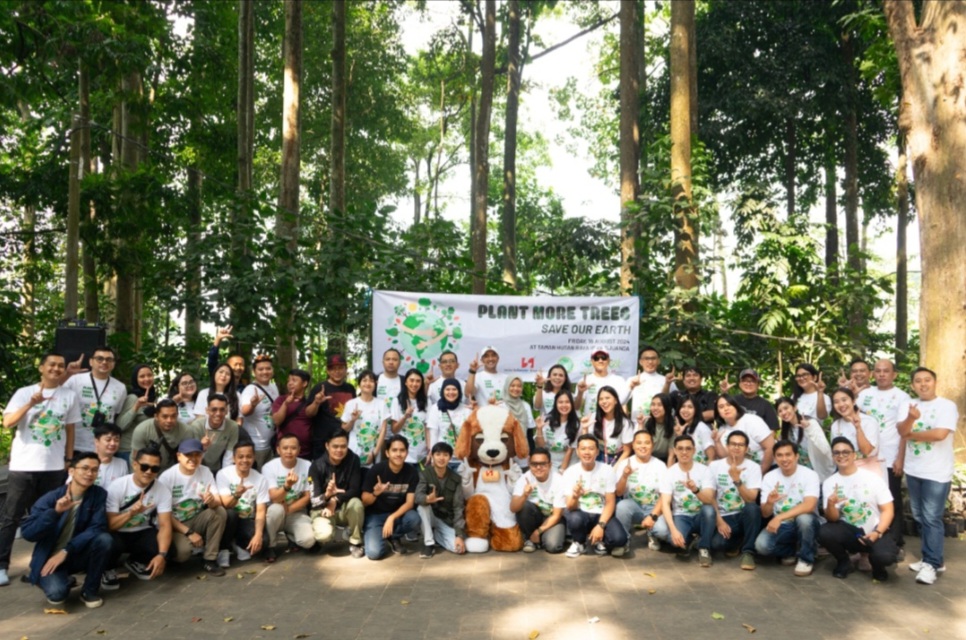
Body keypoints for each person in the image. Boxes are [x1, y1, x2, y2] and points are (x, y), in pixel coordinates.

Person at [0, 351, 80, 587]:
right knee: (10, 516)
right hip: (24, 466)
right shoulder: (24, 392)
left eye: (61, 366)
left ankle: (41, 564)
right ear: (42, 368)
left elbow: (70, 430)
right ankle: (2, 564)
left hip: (54, 467)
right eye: (51, 365)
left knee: (51, 515)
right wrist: (30, 404)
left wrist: (68, 460)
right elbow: (8, 423)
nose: (56, 369)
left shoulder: (69, 396)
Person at [20, 452, 111, 608]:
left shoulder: (98, 494)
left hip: (75, 552)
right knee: (57, 595)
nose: (90, 474)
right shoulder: (51, 498)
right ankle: (51, 579)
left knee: (105, 540)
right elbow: (28, 533)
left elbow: (97, 527)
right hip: (49, 558)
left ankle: (89, 591)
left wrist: (66, 550)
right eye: (85, 468)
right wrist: (55, 512)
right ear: (71, 471)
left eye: (94, 470)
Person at [898, 366, 959, 585]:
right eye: (918, 381)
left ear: (935, 382)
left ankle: (931, 564)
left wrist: (911, 432)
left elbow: (940, 434)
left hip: (937, 472)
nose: (923, 384)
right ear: (912, 385)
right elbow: (900, 431)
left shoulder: (947, 406)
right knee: (919, 516)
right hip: (914, 470)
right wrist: (910, 419)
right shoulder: (907, 405)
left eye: (927, 380)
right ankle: (933, 558)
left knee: (932, 517)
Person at [818, 437, 897, 581]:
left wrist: (877, 532)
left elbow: (888, 510)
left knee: (885, 556)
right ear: (833, 456)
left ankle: (877, 566)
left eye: (845, 452)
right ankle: (844, 561)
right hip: (851, 532)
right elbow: (832, 519)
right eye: (836, 453)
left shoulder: (872, 478)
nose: (841, 456)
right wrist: (830, 504)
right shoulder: (830, 483)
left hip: (874, 530)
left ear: (854, 455)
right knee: (825, 532)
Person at [858, 359, 911, 554]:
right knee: (869, 497)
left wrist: (900, 458)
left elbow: (905, 431)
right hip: (868, 457)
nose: (881, 374)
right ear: (873, 374)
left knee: (892, 499)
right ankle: (868, 537)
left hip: (890, 456)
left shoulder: (902, 397)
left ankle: (895, 542)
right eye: (878, 371)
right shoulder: (864, 395)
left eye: (886, 371)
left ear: (894, 374)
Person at [105, 442, 173, 581]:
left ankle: (135, 561)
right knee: (107, 542)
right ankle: (106, 568)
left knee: (166, 547)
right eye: (144, 466)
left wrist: (162, 555)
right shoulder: (117, 486)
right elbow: (110, 525)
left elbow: (165, 524)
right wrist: (131, 513)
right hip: (117, 532)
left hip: (141, 531)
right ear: (135, 465)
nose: (148, 472)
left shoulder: (162, 490)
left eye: (154, 468)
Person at [158, 439, 227, 575]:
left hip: (196, 518)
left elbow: (217, 501)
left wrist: (211, 500)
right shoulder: (167, 477)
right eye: (188, 455)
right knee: (183, 553)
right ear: (179, 456)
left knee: (219, 511)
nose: (193, 459)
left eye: (197, 455)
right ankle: (170, 558)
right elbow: (164, 515)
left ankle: (210, 559)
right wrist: (189, 533)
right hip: (174, 524)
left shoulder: (205, 471)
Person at [754, 440, 820, 577]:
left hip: (804, 522)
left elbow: (810, 505)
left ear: (796, 456)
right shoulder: (769, 477)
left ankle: (806, 558)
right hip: (782, 526)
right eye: (779, 455)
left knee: (804, 519)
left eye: (788, 455)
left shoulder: (809, 474)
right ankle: (792, 551)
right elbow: (765, 514)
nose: (784, 459)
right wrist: (770, 503)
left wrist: (779, 517)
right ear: (775, 458)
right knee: (762, 546)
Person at [701, 430, 762, 570]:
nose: (736, 447)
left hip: (744, 514)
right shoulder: (715, 466)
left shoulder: (753, 467)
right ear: (727, 446)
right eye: (733, 444)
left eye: (741, 445)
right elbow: (711, 497)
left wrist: (737, 480)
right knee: (717, 545)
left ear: (746, 449)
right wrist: (719, 520)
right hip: (725, 516)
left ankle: (748, 552)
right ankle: (737, 540)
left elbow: (751, 498)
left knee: (753, 508)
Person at [560, 434, 628, 558]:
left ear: (597, 451)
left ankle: (598, 540)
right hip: (580, 512)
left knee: (619, 539)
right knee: (575, 519)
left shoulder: (607, 470)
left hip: (601, 513)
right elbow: (570, 507)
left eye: (591, 448)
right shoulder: (570, 472)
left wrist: (601, 525)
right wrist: (575, 496)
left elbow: (610, 502)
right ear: (577, 451)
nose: (587, 452)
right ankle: (579, 542)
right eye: (583, 448)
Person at [651, 435, 715, 563]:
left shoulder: (704, 470)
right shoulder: (669, 473)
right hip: (681, 515)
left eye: (688, 449)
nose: (684, 452)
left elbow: (709, 499)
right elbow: (665, 503)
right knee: (674, 542)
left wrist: (695, 490)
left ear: (694, 450)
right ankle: (692, 539)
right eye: (680, 449)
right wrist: (674, 530)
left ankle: (704, 548)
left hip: (700, 514)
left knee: (709, 510)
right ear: (674, 451)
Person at [361, 435, 421, 560]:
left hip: (397, 516)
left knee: (414, 518)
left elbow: (410, 503)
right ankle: (378, 535)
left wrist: (392, 517)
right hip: (375, 516)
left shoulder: (411, 472)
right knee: (374, 553)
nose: (398, 454)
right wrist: (375, 493)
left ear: (406, 453)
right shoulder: (376, 470)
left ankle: (392, 536)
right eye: (394, 450)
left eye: (402, 450)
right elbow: (364, 501)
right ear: (387, 453)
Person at [309, 431, 365, 558]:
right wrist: (327, 496)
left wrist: (335, 499)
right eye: (335, 446)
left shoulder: (353, 460)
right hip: (322, 509)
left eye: (343, 446)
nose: (339, 450)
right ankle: (325, 537)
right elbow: (314, 500)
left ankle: (355, 541)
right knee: (324, 535)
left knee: (356, 503)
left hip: (344, 507)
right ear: (327, 446)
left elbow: (355, 490)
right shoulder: (316, 465)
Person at [63, 345, 126, 455]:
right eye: (100, 359)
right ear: (91, 361)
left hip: (104, 448)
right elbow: (55, 396)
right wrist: (67, 374)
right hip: (76, 445)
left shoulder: (120, 387)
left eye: (109, 359)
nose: (104, 362)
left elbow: (116, 413)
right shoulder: (75, 380)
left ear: (113, 364)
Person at [261, 433, 315, 561]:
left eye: (293, 448)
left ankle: (291, 536)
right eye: (285, 448)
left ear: (299, 449)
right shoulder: (269, 467)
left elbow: (308, 496)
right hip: (276, 511)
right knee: (275, 509)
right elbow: (274, 498)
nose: (289, 451)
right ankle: (271, 545)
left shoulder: (307, 465)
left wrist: (289, 510)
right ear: (278, 449)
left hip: (296, 511)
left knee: (308, 541)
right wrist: (287, 486)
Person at [613, 430, 667, 555]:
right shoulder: (625, 463)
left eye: (647, 443)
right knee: (622, 506)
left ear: (652, 445)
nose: (643, 446)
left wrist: (653, 516)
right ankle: (624, 540)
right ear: (633, 445)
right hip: (633, 506)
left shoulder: (660, 465)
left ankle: (652, 533)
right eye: (639, 443)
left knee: (663, 532)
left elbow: (664, 496)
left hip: (654, 508)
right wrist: (625, 476)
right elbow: (619, 493)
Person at [216, 442, 271, 564]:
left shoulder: (260, 479)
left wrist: (258, 535)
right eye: (240, 457)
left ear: (254, 457)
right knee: (230, 514)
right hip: (228, 519)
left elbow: (261, 511)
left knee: (263, 541)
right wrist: (236, 495)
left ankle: (237, 543)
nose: (245, 460)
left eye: (249, 456)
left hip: (246, 520)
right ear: (234, 458)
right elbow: (225, 504)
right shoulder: (224, 474)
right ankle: (224, 548)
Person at [415, 442, 466, 558]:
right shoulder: (425, 474)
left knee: (458, 549)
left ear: (450, 458)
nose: (441, 458)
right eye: (438, 454)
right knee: (423, 507)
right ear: (432, 456)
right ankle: (429, 544)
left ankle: (437, 535)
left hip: (445, 519)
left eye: (445, 455)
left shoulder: (456, 478)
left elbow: (458, 507)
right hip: (430, 516)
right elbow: (417, 497)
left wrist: (459, 535)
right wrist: (427, 499)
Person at [510, 446, 566, 554]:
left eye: (543, 464)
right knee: (524, 506)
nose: (538, 467)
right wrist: (525, 495)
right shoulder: (524, 478)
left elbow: (557, 515)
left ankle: (538, 537)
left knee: (553, 546)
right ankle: (529, 538)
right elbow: (513, 508)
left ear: (549, 464)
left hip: (552, 518)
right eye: (534, 464)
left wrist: (538, 531)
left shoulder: (559, 480)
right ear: (529, 464)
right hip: (534, 516)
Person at [308, 353, 357, 459]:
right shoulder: (320, 388)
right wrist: (316, 402)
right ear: (328, 371)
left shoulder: (350, 388)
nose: (337, 372)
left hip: (344, 441)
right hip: (322, 441)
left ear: (345, 369)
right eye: (333, 369)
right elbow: (308, 413)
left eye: (340, 368)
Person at [774, 397, 834, 481]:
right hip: (802, 476)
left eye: (786, 408)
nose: (784, 412)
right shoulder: (785, 433)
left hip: (820, 473)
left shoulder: (811, 423)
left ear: (794, 408)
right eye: (780, 411)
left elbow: (825, 449)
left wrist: (809, 428)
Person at [713, 395, 775, 474]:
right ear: (718, 412)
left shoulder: (752, 421)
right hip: (743, 473)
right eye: (721, 407)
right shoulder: (722, 429)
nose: (726, 409)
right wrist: (717, 442)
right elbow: (726, 457)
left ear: (736, 406)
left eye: (729, 405)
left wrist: (761, 473)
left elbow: (770, 447)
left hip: (767, 468)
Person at [829, 387, 881, 479]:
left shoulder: (869, 421)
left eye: (844, 400)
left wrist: (858, 428)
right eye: (836, 402)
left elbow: (867, 451)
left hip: (869, 470)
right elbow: (836, 453)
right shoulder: (836, 425)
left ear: (853, 401)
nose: (841, 404)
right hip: (845, 471)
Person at [271, 369, 322, 460]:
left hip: (305, 452)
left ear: (304, 383)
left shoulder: (309, 402)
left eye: (294, 380)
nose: (290, 383)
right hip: (284, 451)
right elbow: (277, 421)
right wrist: (286, 404)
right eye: (288, 381)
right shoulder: (281, 400)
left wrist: (316, 402)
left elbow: (311, 413)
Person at [130, 398, 193, 471]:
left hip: (174, 471)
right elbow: (136, 458)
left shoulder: (186, 431)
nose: (169, 420)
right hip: (148, 470)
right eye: (165, 416)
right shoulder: (142, 430)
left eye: (173, 416)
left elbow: (189, 457)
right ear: (156, 416)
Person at [342, 370, 390, 466]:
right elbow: (344, 429)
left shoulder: (381, 404)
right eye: (364, 380)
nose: (368, 383)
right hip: (354, 451)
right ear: (359, 384)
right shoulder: (351, 404)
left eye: (371, 381)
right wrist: (353, 420)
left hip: (373, 453)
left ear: (375, 384)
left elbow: (383, 430)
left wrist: (374, 453)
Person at [239, 354, 279, 468]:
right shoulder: (250, 390)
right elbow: (245, 412)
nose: (265, 372)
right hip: (257, 446)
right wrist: (252, 405)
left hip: (271, 444)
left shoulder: (273, 387)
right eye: (260, 369)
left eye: (268, 368)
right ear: (254, 372)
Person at [189, 393, 240, 474]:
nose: (218, 413)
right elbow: (191, 456)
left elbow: (229, 456)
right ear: (207, 410)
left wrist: (224, 476)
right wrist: (202, 448)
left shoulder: (232, 427)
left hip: (218, 468)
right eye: (214, 409)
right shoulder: (196, 426)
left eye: (222, 410)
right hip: (198, 468)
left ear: (226, 411)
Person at [116, 364, 158, 460]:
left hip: (145, 451)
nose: (146, 379)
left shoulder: (154, 398)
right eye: (142, 376)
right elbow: (120, 426)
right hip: (128, 451)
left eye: (149, 375)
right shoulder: (133, 397)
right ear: (136, 379)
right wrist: (136, 406)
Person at [583, 386, 633, 465]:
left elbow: (627, 451)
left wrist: (615, 470)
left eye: (607, 398)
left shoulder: (625, 422)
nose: (604, 401)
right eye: (601, 399)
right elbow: (586, 443)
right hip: (597, 457)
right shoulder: (594, 417)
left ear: (615, 400)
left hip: (617, 459)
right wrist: (585, 429)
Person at [390, 369, 430, 464]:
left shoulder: (427, 402)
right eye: (411, 380)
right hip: (404, 455)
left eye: (418, 381)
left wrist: (430, 449)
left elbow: (427, 428)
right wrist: (405, 416)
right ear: (406, 382)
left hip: (422, 455)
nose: (414, 384)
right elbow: (394, 430)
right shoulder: (397, 401)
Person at [628, 345, 676, 421]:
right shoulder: (633, 380)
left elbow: (675, 402)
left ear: (659, 361)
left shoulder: (667, 380)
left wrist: (667, 383)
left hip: (660, 426)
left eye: (653, 358)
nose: (650, 362)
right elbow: (622, 400)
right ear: (640, 362)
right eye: (646, 358)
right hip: (638, 426)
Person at [535, 389, 580, 471]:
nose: (564, 405)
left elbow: (570, 450)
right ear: (555, 404)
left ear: (572, 404)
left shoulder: (576, 424)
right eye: (560, 402)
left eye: (567, 402)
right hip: (551, 461)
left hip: (570, 462)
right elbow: (541, 445)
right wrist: (539, 429)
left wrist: (562, 470)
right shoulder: (546, 420)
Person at [576, 349, 629, 417]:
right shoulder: (585, 381)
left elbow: (623, 405)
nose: (600, 361)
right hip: (591, 424)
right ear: (592, 361)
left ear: (609, 360)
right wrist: (580, 392)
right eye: (596, 358)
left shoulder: (619, 380)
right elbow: (577, 407)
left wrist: (625, 422)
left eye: (603, 358)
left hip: (613, 423)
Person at [426, 378, 471, 454]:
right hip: (442, 457)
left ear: (459, 391)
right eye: (447, 389)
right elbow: (434, 434)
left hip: (462, 457)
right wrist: (433, 454)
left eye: (454, 389)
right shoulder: (436, 408)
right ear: (443, 391)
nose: (451, 392)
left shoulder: (467, 409)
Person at [667, 396, 715, 466]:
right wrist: (679, 436)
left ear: (696, 410)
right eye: (683, 406)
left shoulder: (702, 428)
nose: (686, 410)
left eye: (690, 407)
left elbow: (711, 458)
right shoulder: (683, 428)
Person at [502, 375, 536, 464]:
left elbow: (529, 432)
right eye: (512, 385)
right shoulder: (500, 406)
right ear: (507, 387)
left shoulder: (526, 406)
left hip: (522, 450)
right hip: (503, 452)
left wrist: (531, 453)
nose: (516, 388)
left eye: (519, 386)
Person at [208, 325, 247, 390]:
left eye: (241, 365)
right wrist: (218, 339)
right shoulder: (220, 384)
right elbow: (212, 361)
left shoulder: (245, 389)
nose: (238, 367)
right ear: (228, 366)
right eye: (235, 364)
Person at [93, 423, 129, 489]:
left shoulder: (122, 464)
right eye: (108, 440)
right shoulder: (84, 461)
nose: (112, 443)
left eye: (116, 440)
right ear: (96, 441)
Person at [641, 393, 675, 462]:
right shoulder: (647, 422)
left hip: (665, 459)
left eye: (659, 405)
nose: (655, 408)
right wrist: (640, 425)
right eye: (653, 404)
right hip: (647, 457)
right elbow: (641, 445)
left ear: (667, 407)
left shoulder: (674, 425)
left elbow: (672, 455)